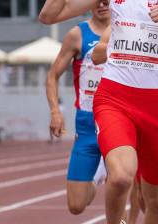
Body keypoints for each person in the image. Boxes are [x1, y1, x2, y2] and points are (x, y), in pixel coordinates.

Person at [40, 0, 158, 223]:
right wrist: (119, 43)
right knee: (122, 177)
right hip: (114, 98)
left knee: (157, 202)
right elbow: (48, 16)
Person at [45, 2, 110, 215]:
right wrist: (55, 111)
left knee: (119, 184)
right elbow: (52, 76)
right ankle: (97, 176)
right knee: (76, 205)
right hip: (87, 126)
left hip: (118, 121)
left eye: (107, 0)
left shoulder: (126, 30)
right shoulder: (77, 35)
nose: (102, 4)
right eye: (97, 0)